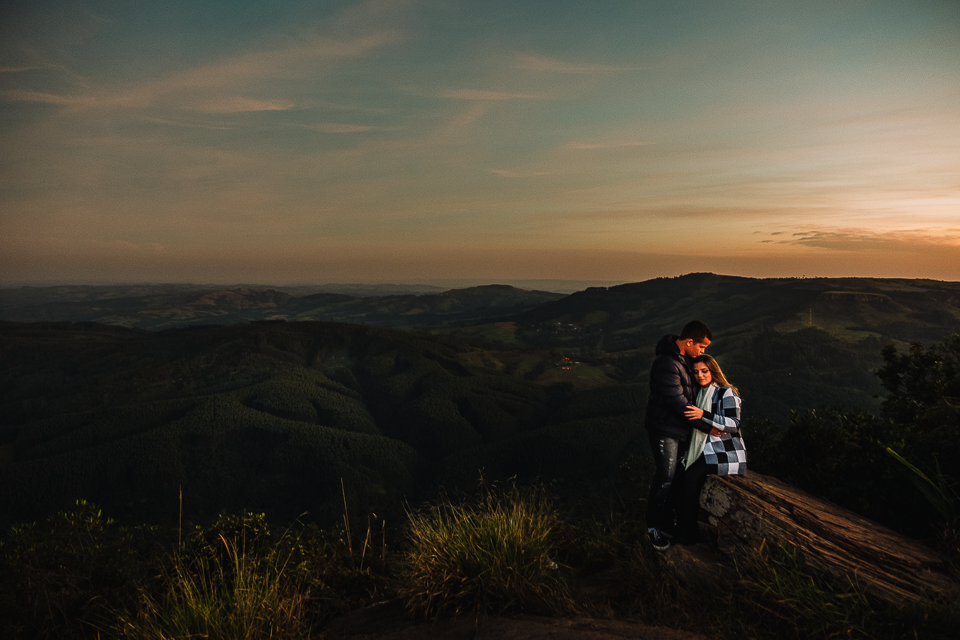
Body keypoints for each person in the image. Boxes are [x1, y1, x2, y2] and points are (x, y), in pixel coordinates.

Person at [643, 320, 712, 551]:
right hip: (664, 428)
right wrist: (709, 427)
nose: (702, 352)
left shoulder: (684, 360)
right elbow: (678, 403)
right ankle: (653, 528)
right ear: (689, 341)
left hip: (679, 429)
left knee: (675, 479)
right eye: (701, 347)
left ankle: (668, 524)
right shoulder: (666, 363)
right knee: (665, 477)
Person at [673, 354, 747, 544]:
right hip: (705, 448)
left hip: (725, 451)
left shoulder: (726, 392)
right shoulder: (699, 393)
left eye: (704, 371)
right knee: (680, 477)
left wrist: (703, 413)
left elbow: (734, 424)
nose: (700, 375)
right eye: (696, 372)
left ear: (713, 370)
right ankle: (684, 527)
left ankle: (687, 532)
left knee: (690, 477)